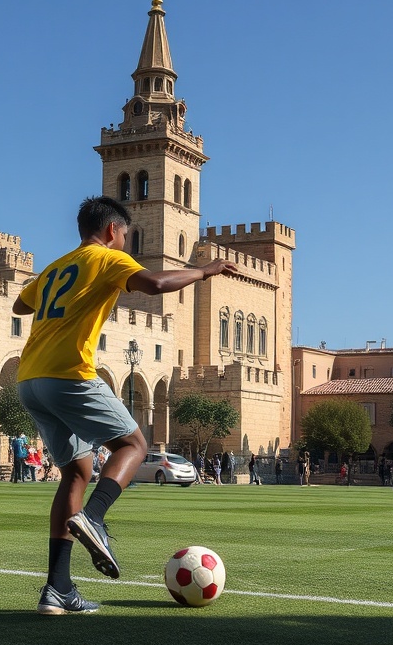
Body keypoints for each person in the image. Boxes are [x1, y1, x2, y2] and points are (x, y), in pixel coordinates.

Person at [12, 195, 237, 615]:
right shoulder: (107, 259)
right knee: (133, 445)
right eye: (126, 236)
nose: (125, 244)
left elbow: (19, 304)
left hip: (30, 379)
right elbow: (154, 284)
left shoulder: (58, 266)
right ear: (114, 231)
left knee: (76, 473)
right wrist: (205, 271)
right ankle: (94, 517)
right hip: (68, 374)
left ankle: (57, 589)